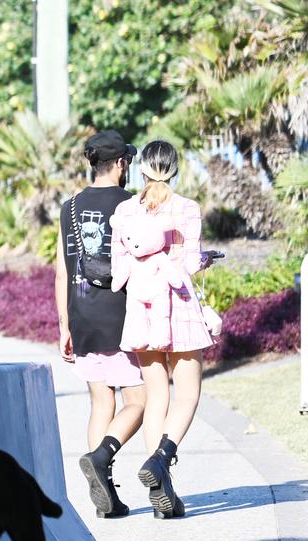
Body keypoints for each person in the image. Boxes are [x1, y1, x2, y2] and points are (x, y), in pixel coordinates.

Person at [109, 140, 213, 520]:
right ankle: (162, 458)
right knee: (187, 394)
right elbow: (187, 263)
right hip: (179, 309)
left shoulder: (124, 211)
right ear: (174, 168)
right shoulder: (186, 209)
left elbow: (119, 266)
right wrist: (204, 261)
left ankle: (161, 490)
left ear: (142, 170)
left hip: (141, 311)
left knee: (156, 397)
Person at [55, 130, 146, 519]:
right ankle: (101, 457)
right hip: (120, 315)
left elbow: (62, 270)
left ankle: (104, 494)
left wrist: (64, 325)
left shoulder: (69, 206)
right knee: (137, 402)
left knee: (100, 401)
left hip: (82, 315)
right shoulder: (131, 205)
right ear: (122, 163)